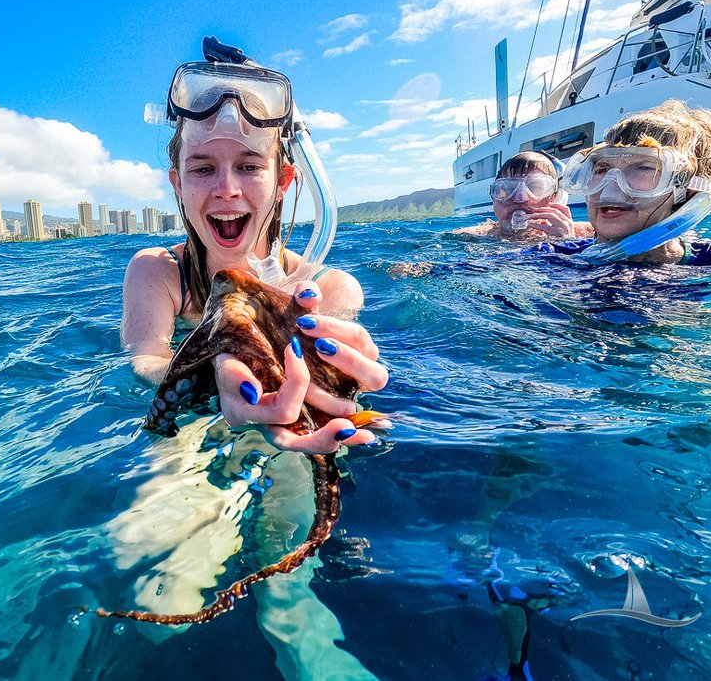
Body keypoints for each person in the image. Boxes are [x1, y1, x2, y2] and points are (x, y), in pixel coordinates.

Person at [122, 57, 389, 454]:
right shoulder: (158, 272)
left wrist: (350, 384)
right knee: (163, 497)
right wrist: (213, 368)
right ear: (177, 184)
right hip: (194, 422)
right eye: (202, 169)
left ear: (283, 181)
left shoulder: (331, 289)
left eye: (248, 165)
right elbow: (145, 360)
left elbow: (333, 400)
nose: (226, 188)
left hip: (286, 423)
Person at [536, 100, 711, 264]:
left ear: (690, 195)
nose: (609, 190)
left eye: (643, 168)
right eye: (601, 169)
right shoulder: (549, 258)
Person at [454, 151, 592, 241]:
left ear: (553, 196)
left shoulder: (588, 233)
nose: (520, 198)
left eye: (536, 188)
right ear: (493, 197)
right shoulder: (468, 237)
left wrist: (567, 243)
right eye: (507, 189)